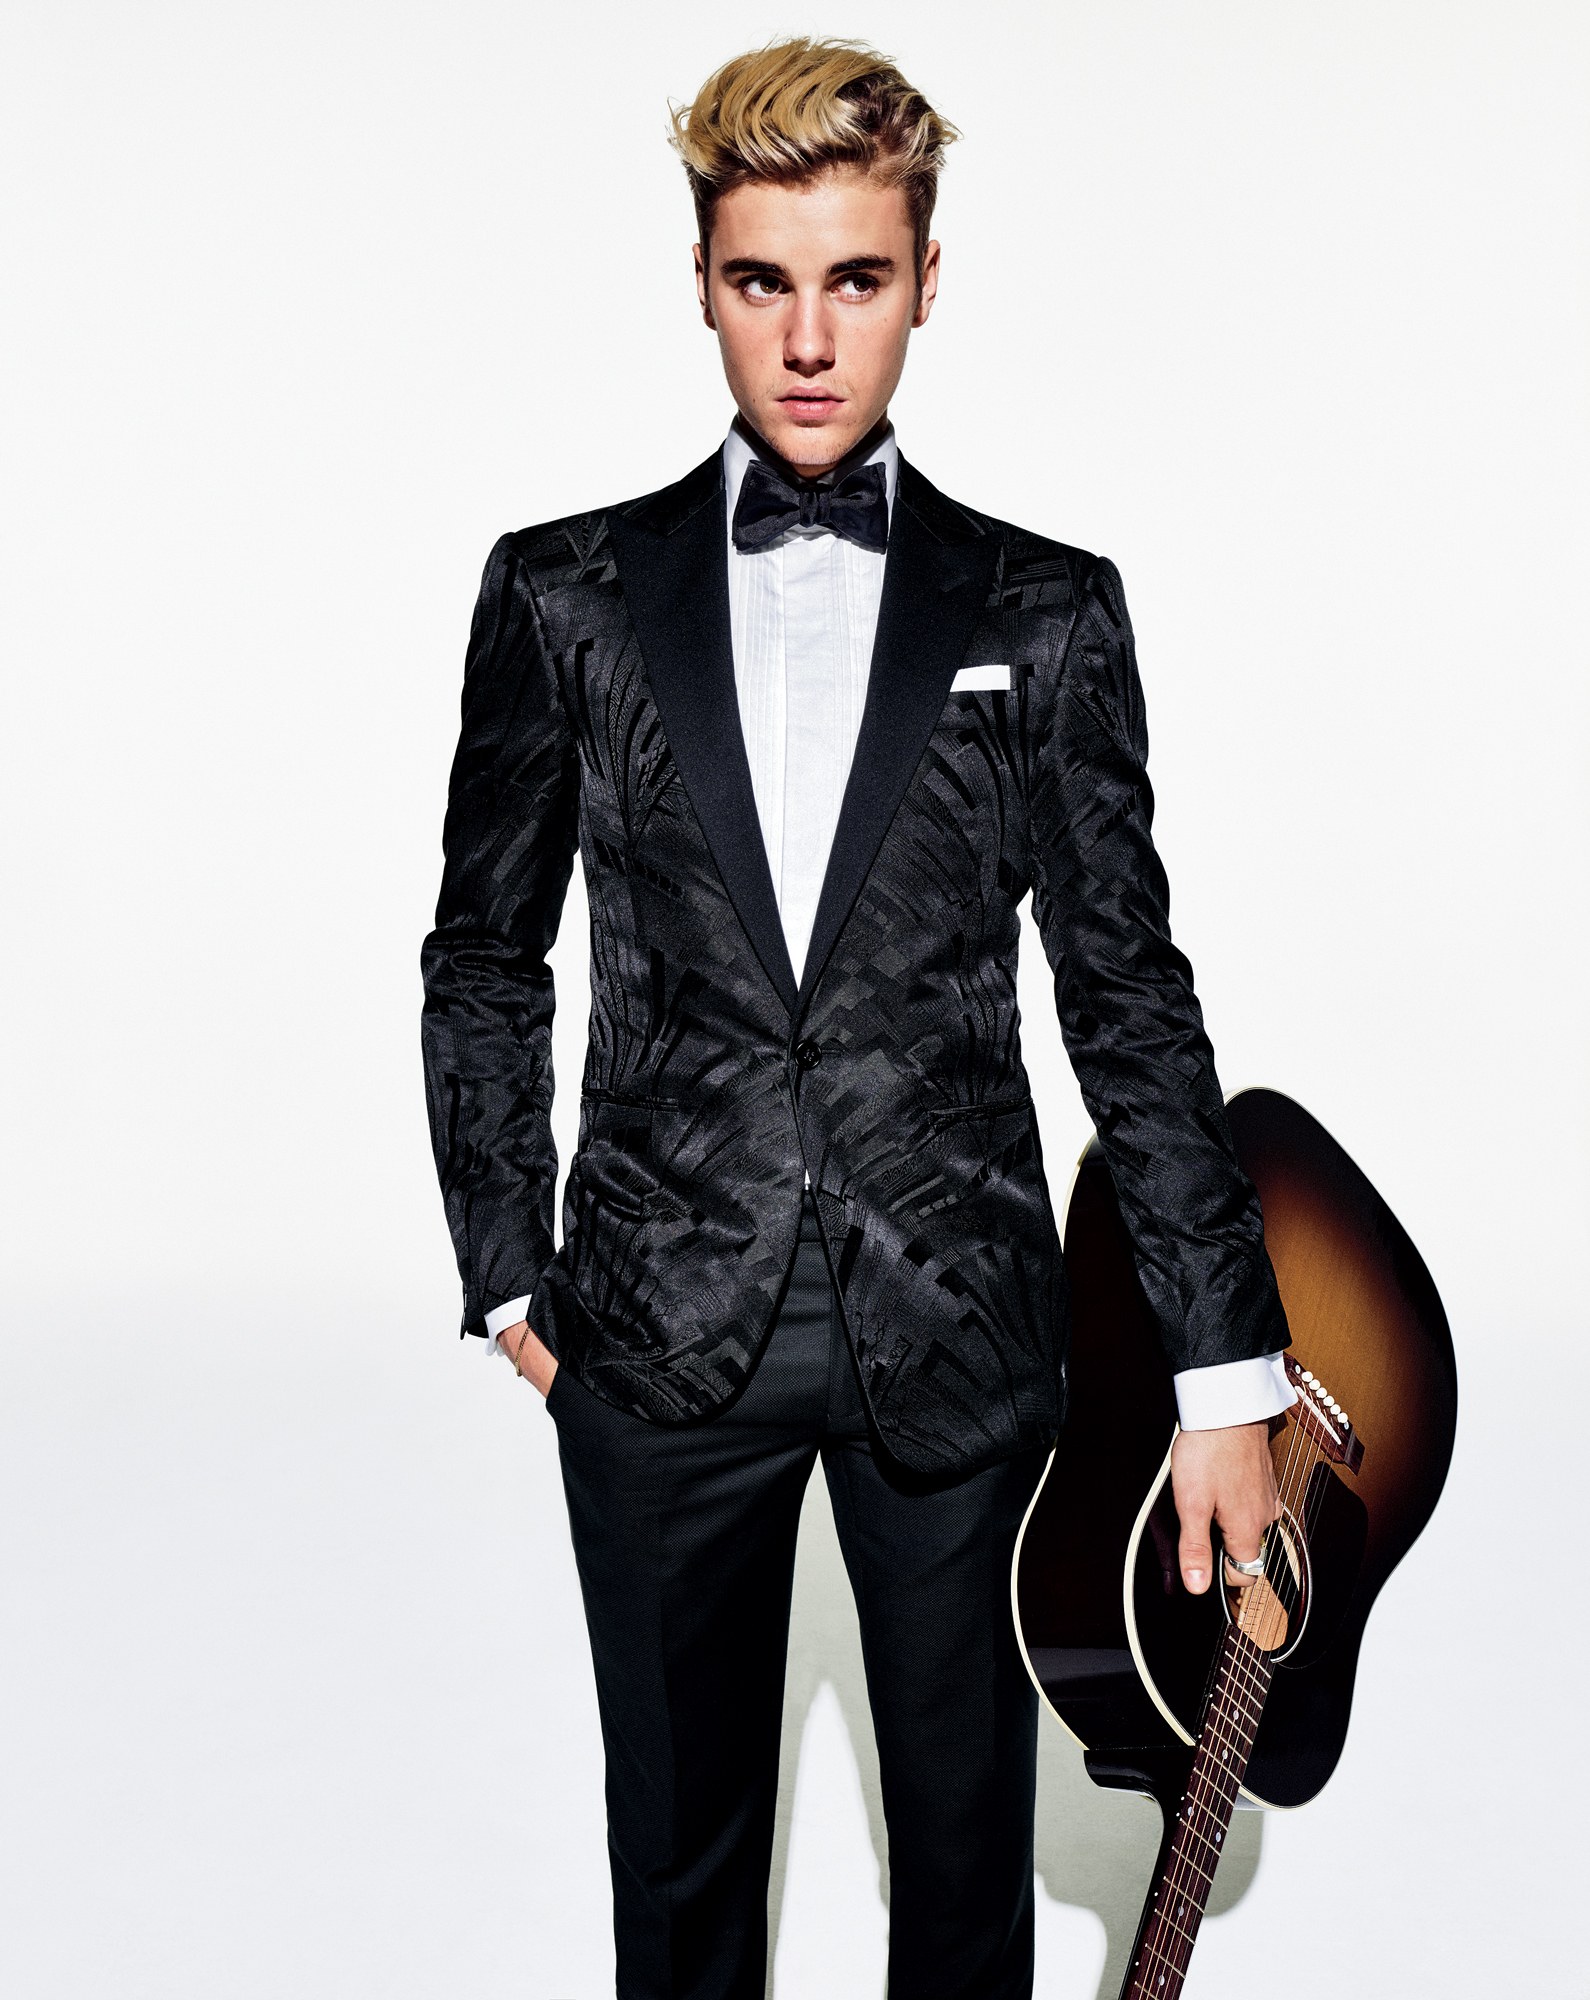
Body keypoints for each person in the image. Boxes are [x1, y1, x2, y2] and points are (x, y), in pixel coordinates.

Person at [420, 36, 1295, 2000]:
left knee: (967, 1892)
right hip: (654, 1327)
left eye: (856, 279)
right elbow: (482, 950)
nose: (810, 338)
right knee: (680, 1897)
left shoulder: (1046, 611)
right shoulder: (564, 595)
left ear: (925, 278)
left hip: (961, 1335)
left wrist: (1225, 1371)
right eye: (763, 279)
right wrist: (507, 1270)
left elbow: (1127, 993)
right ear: (702, 279)